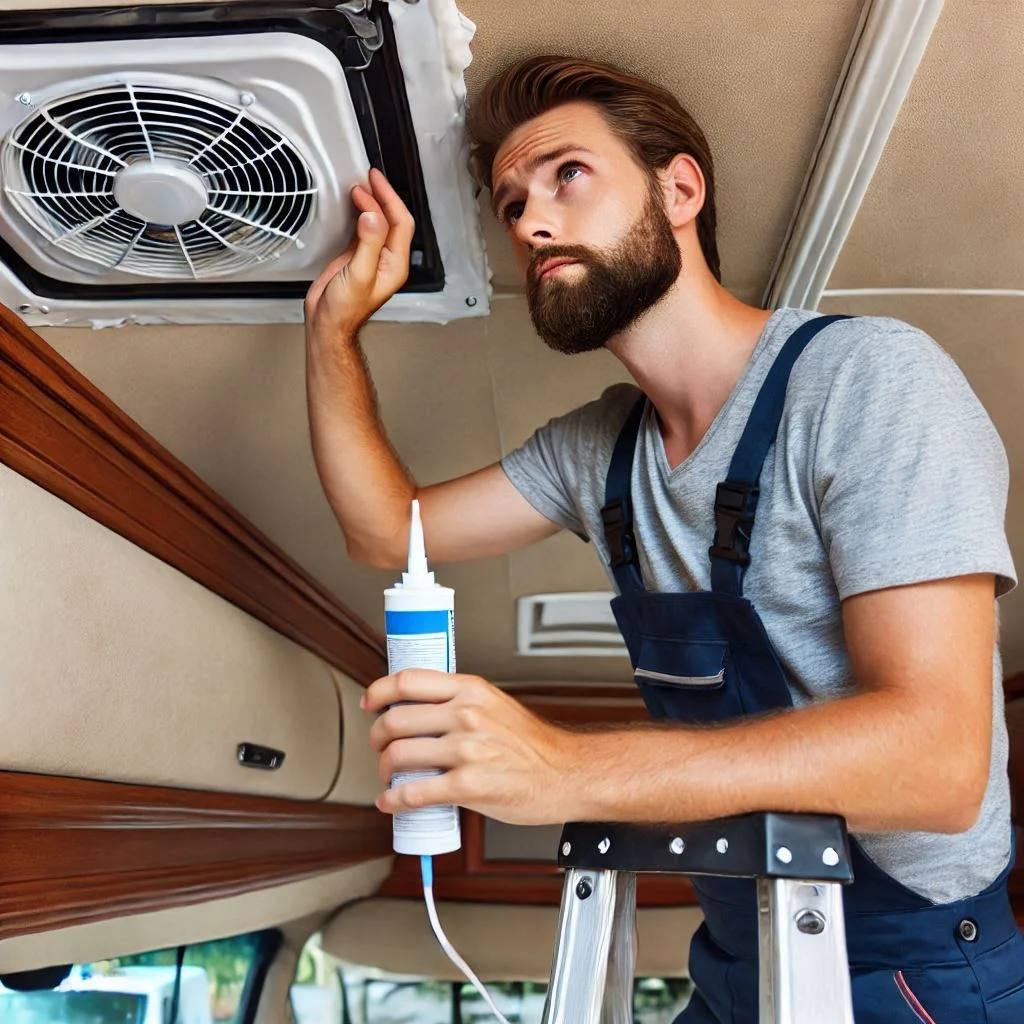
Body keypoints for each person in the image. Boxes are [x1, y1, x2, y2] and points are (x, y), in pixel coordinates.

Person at [304, 54, 1023, 1022]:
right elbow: (385, 528)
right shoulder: (598, 448)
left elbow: (938, 762)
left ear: (679, 188)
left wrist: (562, 768)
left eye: (565, 175)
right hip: (731, 955)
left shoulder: (868, 383)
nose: (531, 221)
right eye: (512, 205)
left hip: (906, 968)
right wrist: (331, 332)